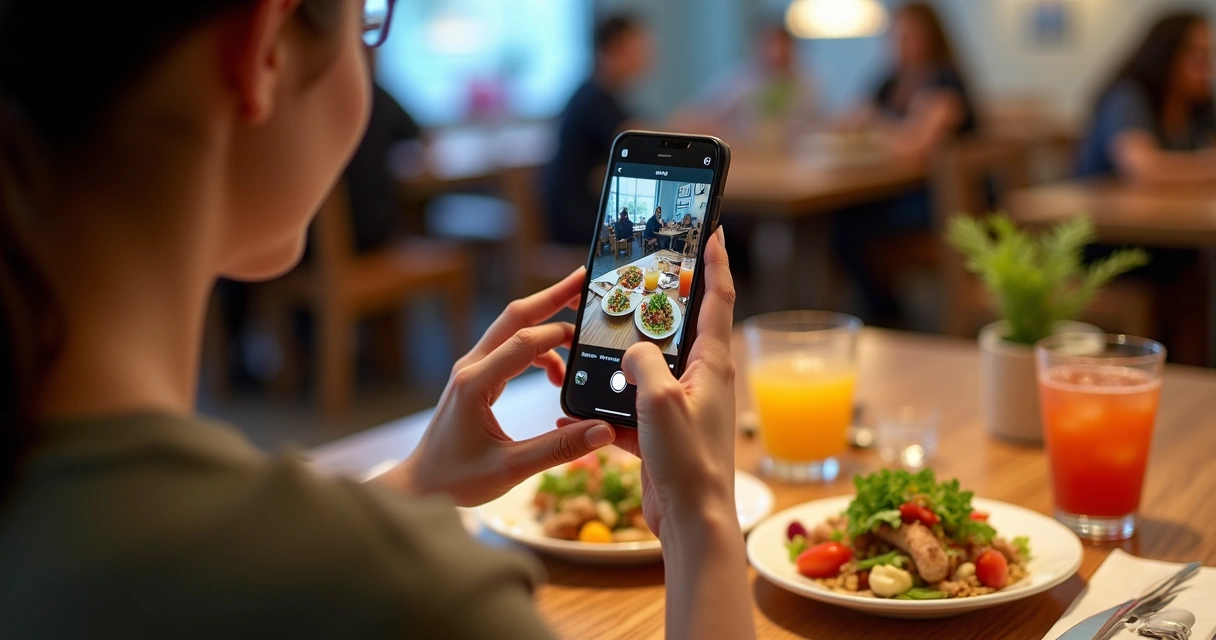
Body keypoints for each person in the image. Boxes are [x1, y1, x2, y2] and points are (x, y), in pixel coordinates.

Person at [0, 2, 754, 638]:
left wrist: (414, 483)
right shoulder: (421, 599)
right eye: (370, 26)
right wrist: (703, 522)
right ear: (263, 50)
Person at [832, 1, 977, 325]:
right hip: (896, 193)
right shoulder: (890, 82)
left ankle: (887, 316)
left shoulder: (945, 84)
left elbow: (915, 147)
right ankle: (878, 312)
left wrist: (876, 124)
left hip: (948, 202)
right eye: (895, 37)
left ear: (931, 38)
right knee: (838, 219)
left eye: (909, 36)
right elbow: (849, 121)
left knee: (848, 227)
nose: (900, 44)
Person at [542, 14, 652, 246]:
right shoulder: (593, 100)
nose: (648, 53)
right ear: (615, 47)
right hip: (578, 220)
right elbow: (641, 142)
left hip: (587, 210)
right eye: (640, 44)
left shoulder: (600, 95)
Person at [1077, 13, 1215, 183]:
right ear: (1167, 55)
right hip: (1093, 207)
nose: (1208, 69)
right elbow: (1144, 168)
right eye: (1199, 56)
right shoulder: (1127, 96)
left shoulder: (1197, 107)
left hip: (1160, 206)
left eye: (1209, 57)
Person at [678, 21, 819, 145]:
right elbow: (696, 116)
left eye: (783, 44)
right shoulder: (739, 80)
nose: (777, 52)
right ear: (756, 46)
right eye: (770, 44)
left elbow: (820, 123)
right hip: (745, 157)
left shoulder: (808, 82)